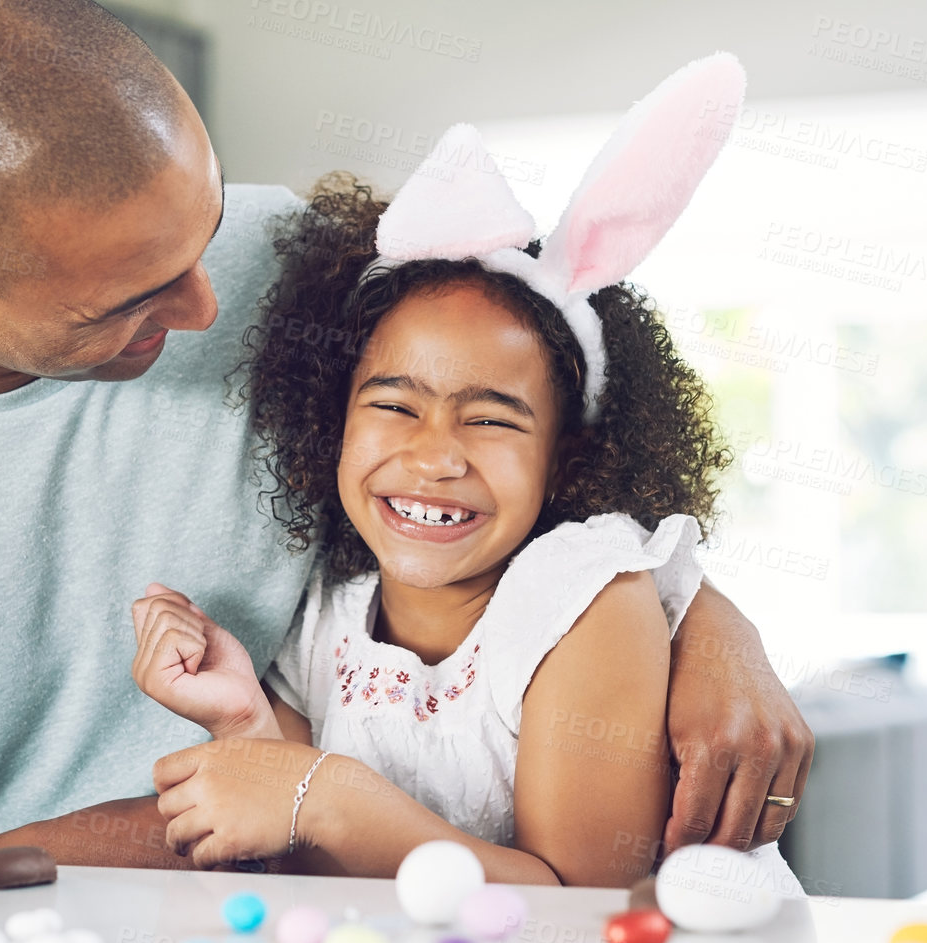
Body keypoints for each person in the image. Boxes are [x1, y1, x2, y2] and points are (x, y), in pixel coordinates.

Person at [0, 0, 810, 864]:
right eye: (133, 299)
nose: (214, 299)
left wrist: (700, 620)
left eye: (206, 226)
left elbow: (551, 364)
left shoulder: (293, 259)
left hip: (344, 941)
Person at [131, 58, 799, 884]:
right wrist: (243, 722)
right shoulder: (330, 617)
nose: (436, 454)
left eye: (489, 419)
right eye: (395, 405)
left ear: (568, 460)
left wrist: (331, 795)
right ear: (330, 419)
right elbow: (304, 851)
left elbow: (578, 910)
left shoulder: (583, 603)